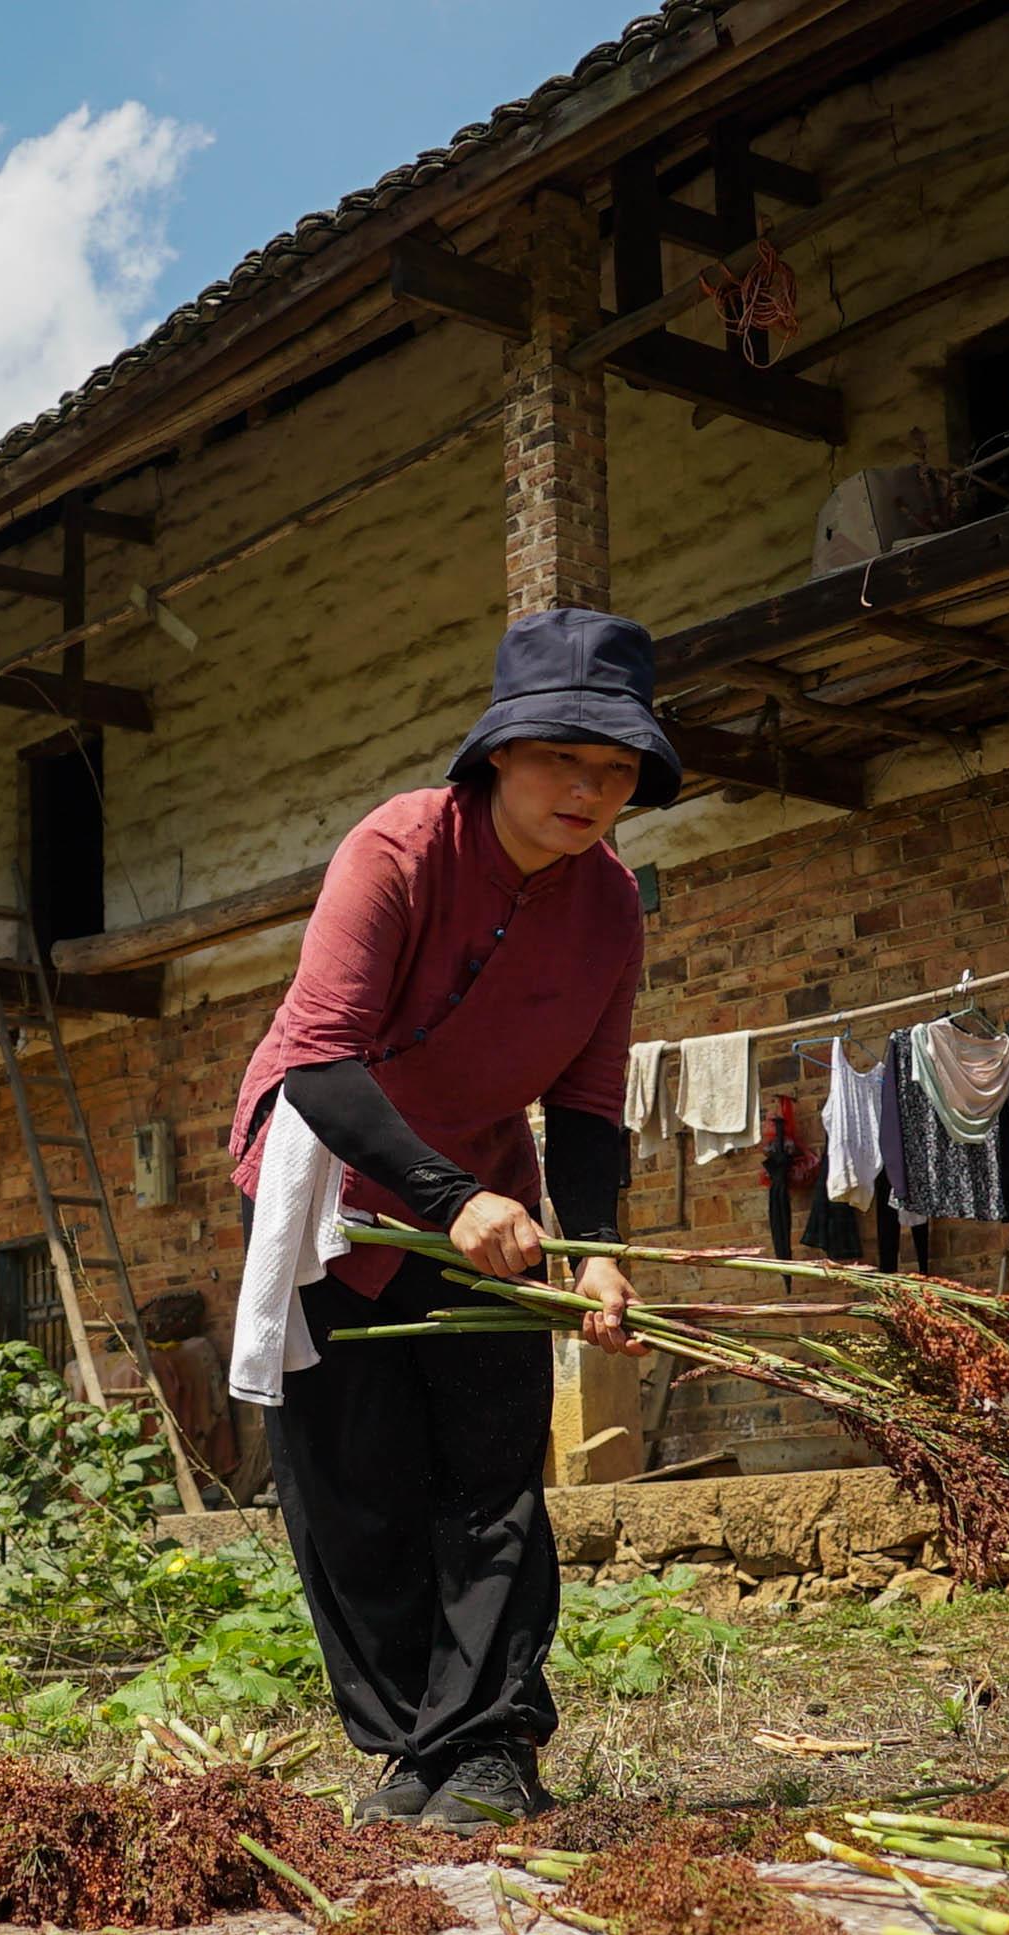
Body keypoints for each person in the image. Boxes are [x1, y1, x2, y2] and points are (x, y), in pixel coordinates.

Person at [224, 608, 673, 1830]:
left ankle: (487, 1746)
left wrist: (594, 1257)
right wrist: (447, 1198)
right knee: (351, 1484)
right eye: (563, 760)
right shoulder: (400, 848)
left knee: (488, 1477)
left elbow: (585, 1105)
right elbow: (317, 1060)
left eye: (617, 769)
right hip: (337, 1189)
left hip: (487, 1202)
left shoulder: (611, 905)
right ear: (498, 757)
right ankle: (406, 1749)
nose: (590, 790)